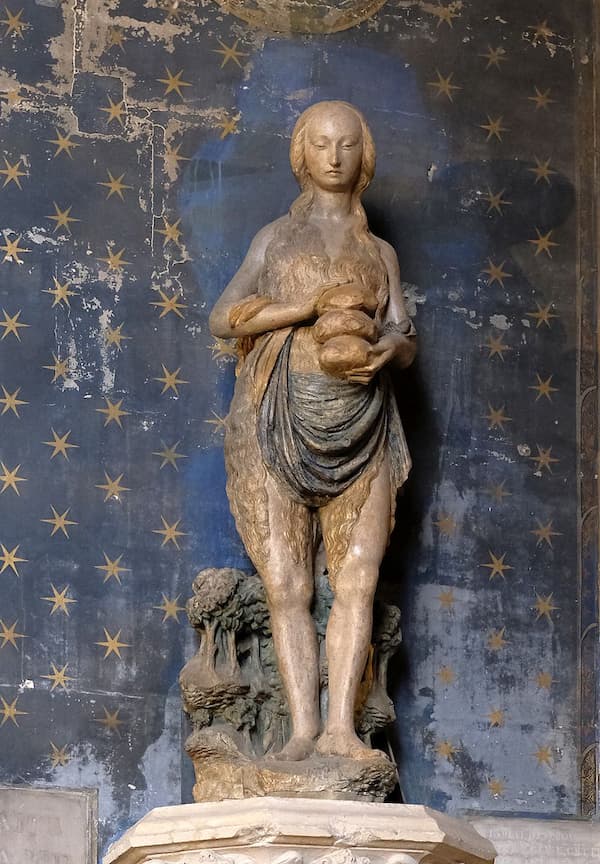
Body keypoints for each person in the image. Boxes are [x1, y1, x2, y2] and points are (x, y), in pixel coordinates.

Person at [209, 100, 417, 762]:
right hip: (279, 418)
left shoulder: (378, 251)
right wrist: (300, 308)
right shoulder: (274, 240)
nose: (334, 156)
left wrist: (392, 348)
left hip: (364, 419)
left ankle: (341, 732)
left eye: (347, 144)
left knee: (358, 579)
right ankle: (303, 731)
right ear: (302, 154)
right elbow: (223, 318)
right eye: (322, 143)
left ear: (365, 156)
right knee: (289, 587)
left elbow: (403, 331)